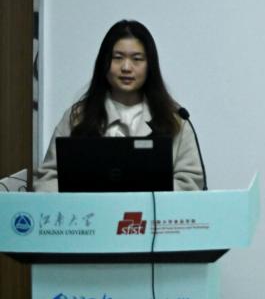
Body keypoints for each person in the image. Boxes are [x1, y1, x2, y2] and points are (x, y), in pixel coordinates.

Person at [34, 20, 204, 192]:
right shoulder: (79, 116)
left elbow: (190, 183)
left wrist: (145, 195)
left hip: (152, 210)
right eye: (118, 58)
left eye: (137, 59)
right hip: (90, 209)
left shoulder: (174, 119)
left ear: (150, 65)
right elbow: (47, 179)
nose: (126, 67)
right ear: (104, 62)